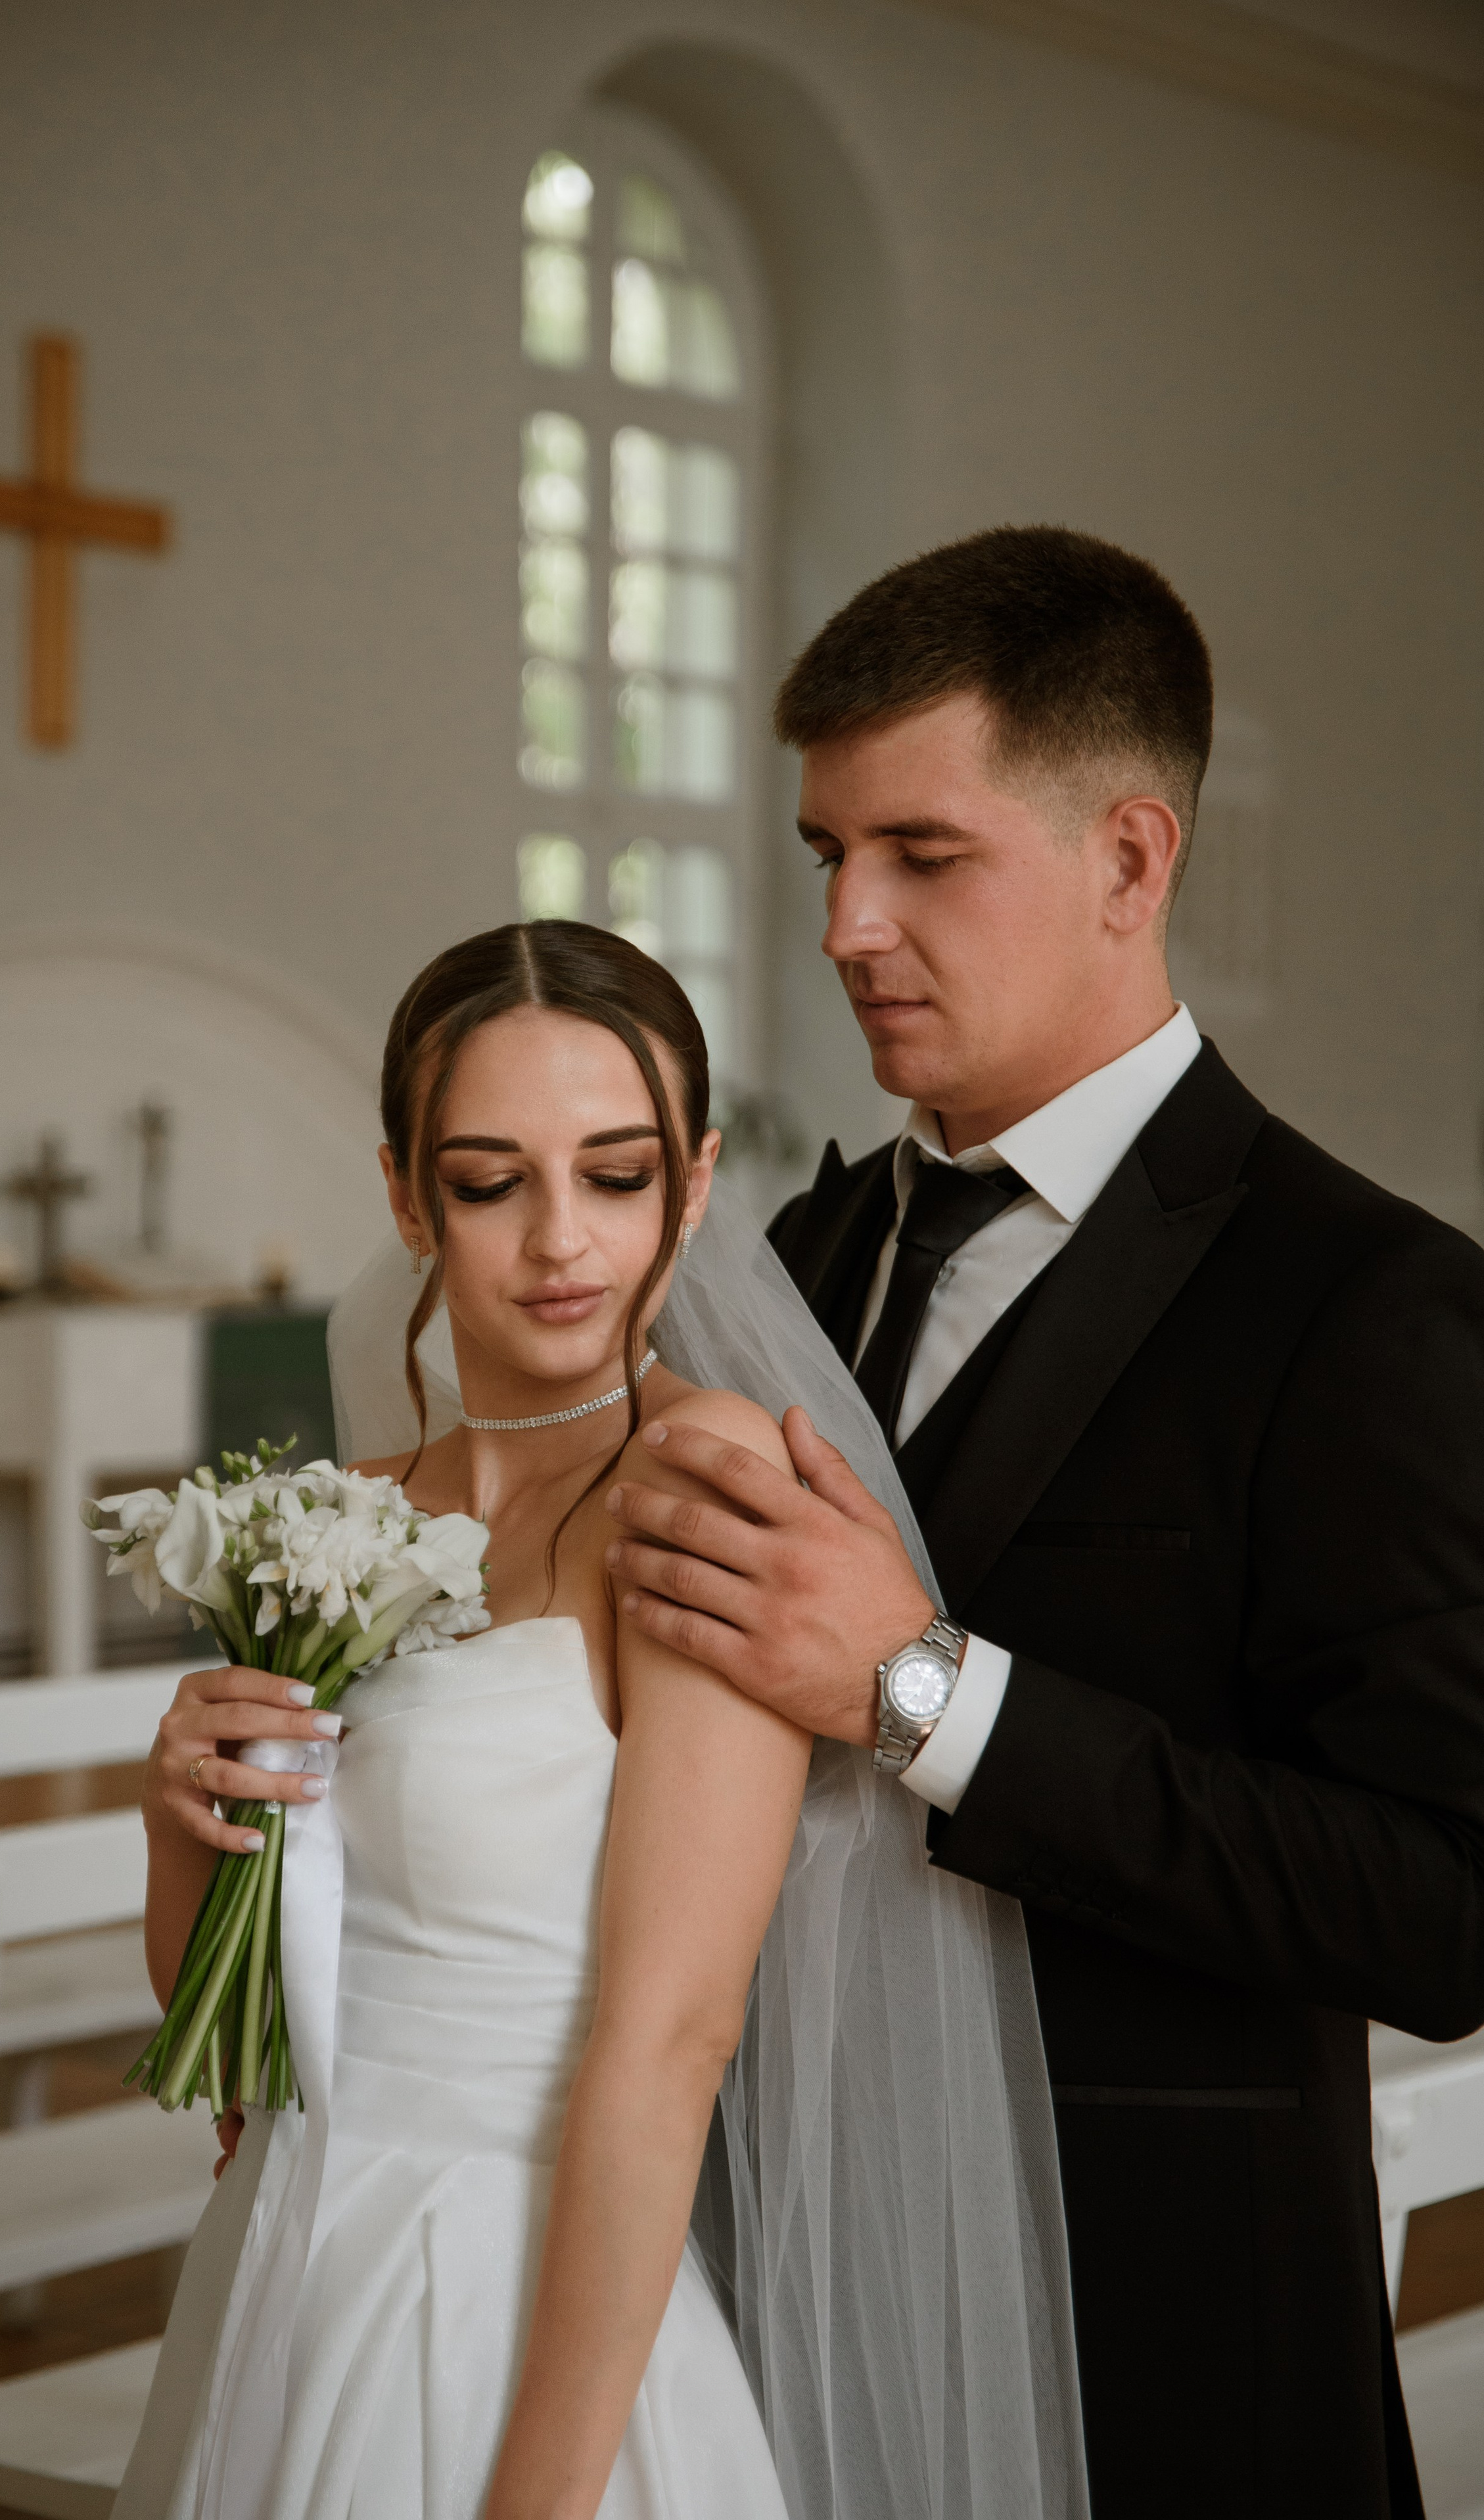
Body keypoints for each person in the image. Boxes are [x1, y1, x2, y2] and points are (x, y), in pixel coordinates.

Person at [604, 524, 1484, 2520]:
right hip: (757, 2298)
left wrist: (922, 1689)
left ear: (1130, 859)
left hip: (1152, 2340)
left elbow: (1445, 1909)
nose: (845, 923)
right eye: (827, 853)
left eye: (922, 853)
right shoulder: (783, 1266)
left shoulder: (1369, 1305)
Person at [113, 919, 1086, 2520]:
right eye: (491, 1182)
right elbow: (229, 2035)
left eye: (615, 1175)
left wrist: (539, 2499)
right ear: (406, 1194)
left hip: (528, 2295)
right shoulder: (332, 1516)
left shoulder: (703, 1490)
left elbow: (670, 2042)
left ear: (692, 1184)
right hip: (290, 2254)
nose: (559, 1239)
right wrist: (180, 1808)